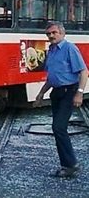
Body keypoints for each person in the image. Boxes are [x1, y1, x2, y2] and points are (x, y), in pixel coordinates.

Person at [36, 21, 87, 178]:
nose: (51, 36)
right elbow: (52, 77)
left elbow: (84, 71)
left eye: (54, 33)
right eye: (48, 34)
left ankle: (71, 164)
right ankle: (67, 164)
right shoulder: (51, 50)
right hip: (56, 93)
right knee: (58, 128)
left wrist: (79, 93)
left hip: (68, 92)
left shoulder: (69, 48)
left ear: (62, 33)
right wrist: (41, 93)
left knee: (58, 127)